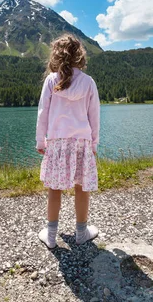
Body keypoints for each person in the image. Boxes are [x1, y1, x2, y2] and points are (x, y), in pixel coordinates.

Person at [35, 34, 100, 249]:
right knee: (82, 187)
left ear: (55, 55)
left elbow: (42, 113)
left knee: (55, 188)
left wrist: (40, 141)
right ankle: (81, 232)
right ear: (79, 55)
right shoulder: (88, 82)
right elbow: (94, 116)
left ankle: (51, 235)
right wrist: (94, 144)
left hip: (57, 143)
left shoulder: (51, 80)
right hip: (81, 142)